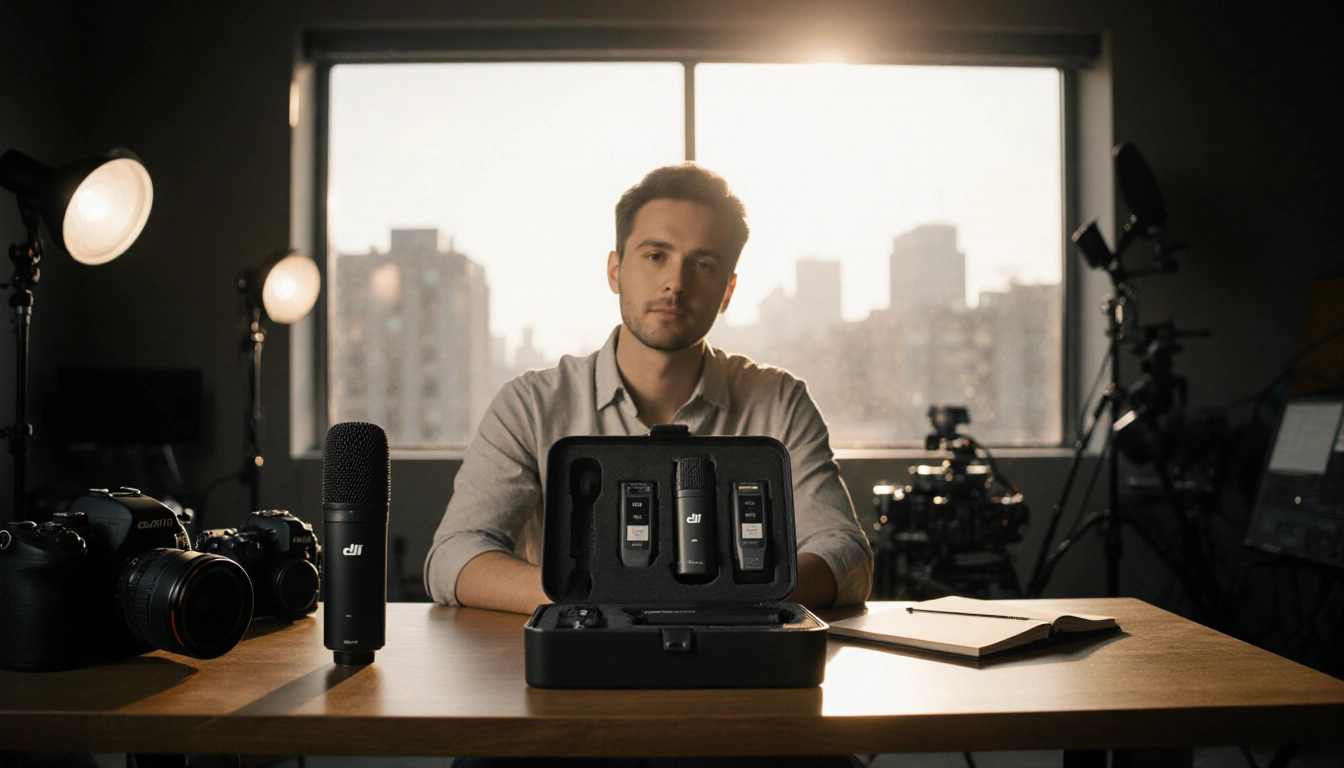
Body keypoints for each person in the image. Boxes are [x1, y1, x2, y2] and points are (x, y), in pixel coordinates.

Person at [424, 162, 872, 614]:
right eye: (656, 255)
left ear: (728, 291)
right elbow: (453, 556)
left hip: (736, 669)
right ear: (615, 270)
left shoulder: (780, 402)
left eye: (703, 263)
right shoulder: (530, 405)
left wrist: (723, 605)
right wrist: (589, 601)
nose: (675, 283)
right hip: (580, 665)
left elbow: (846, 554)